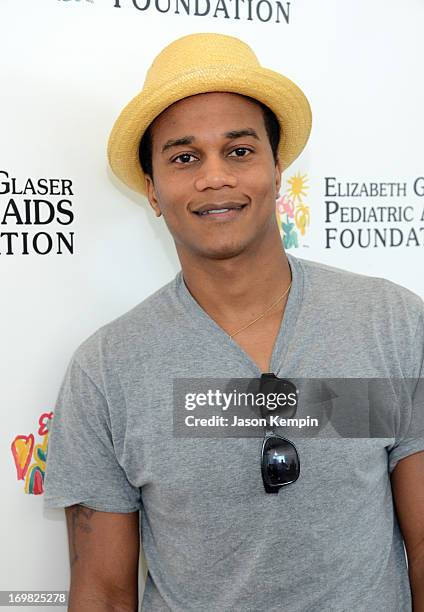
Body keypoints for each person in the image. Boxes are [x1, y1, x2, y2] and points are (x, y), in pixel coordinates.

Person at [43, 32, 424, 612]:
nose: (214, 177)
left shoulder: (389, 322)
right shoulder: (106, 370)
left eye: (240, 151)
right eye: (184, 157)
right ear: (151, 188)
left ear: (278, 168)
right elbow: (102, 591)